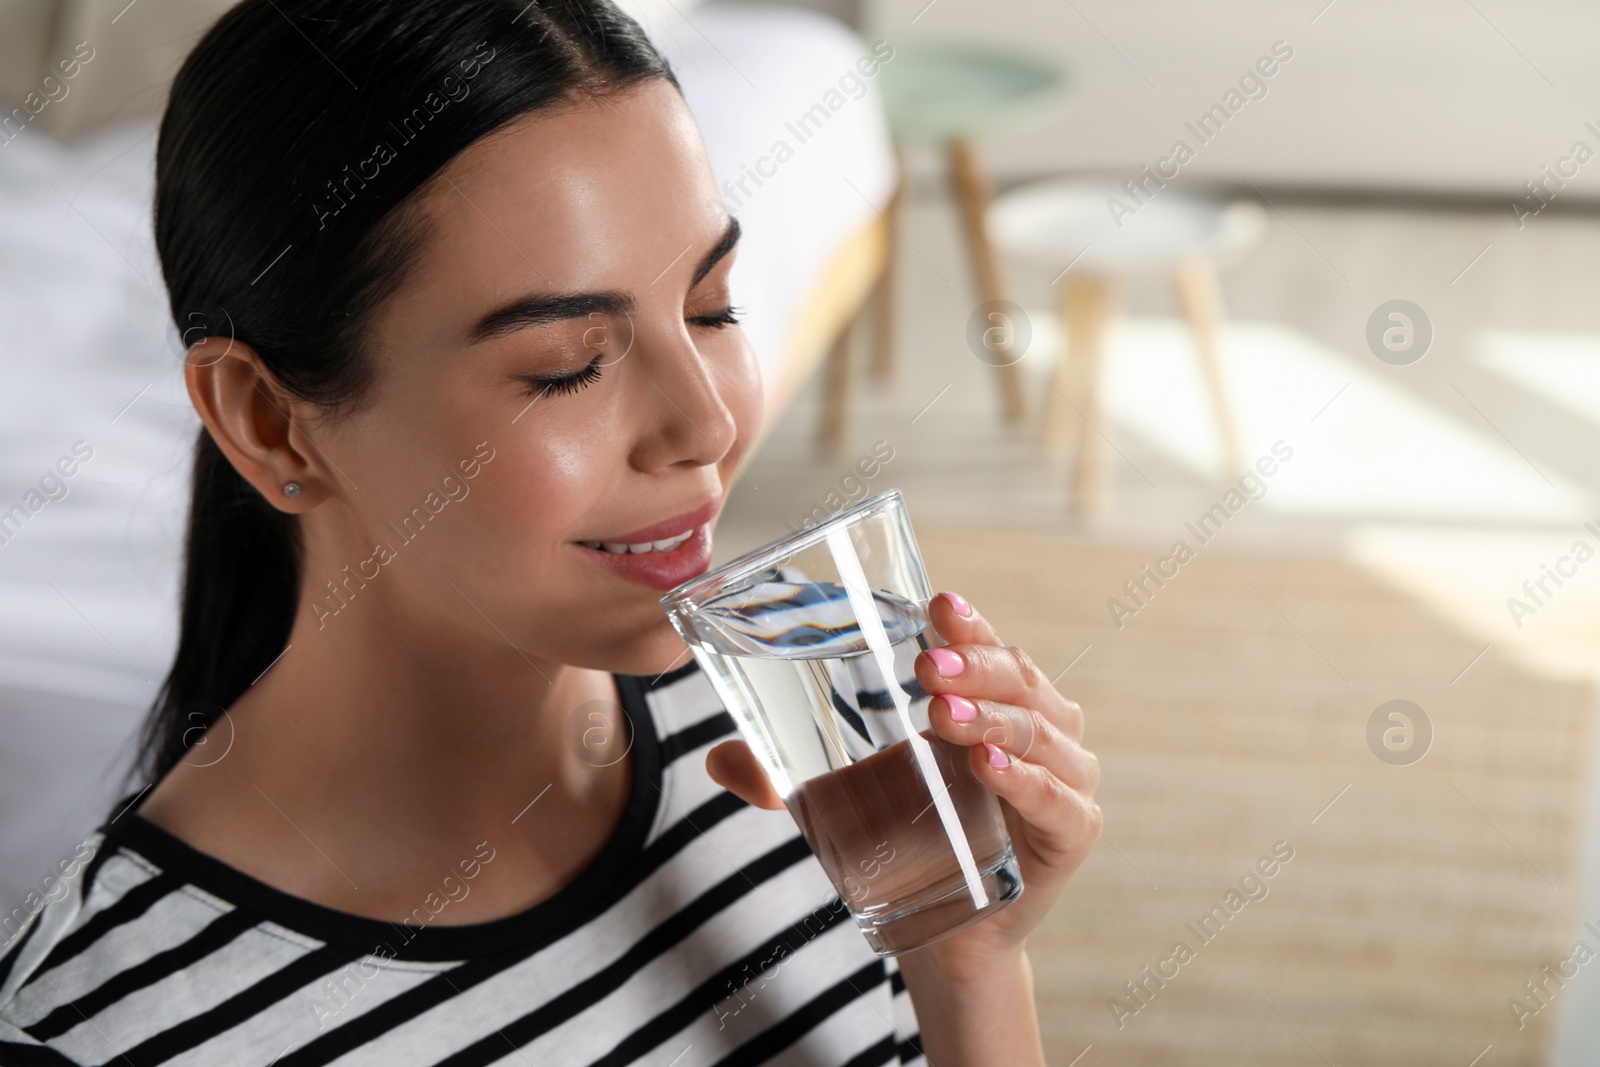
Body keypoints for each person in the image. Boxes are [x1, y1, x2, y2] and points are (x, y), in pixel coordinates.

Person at [0, 1, 1101, 1063]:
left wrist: (965, 960)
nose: (707, 424)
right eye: (567, 364)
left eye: (713, 307)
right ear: (269, 421)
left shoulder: (821, 740)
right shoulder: (99, 1027)